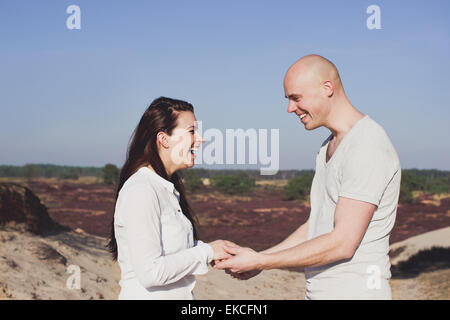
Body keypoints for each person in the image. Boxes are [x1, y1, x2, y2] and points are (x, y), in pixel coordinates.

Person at [214, 54, 402, 300]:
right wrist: (259, 260)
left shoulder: (367, 145)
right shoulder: (328, 146)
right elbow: (315, 226)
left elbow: (343, 243)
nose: (290, 108)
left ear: (327, 88)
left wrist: (263, 260)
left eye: (296, 98)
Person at [107, 96, 232, 299]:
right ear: (164, 139)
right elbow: (151, 272)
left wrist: (221, 250)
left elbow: (174, 252)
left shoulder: (165, 188)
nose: (201, 139)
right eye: (192, 131)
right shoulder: (141, 190)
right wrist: (207, 252)